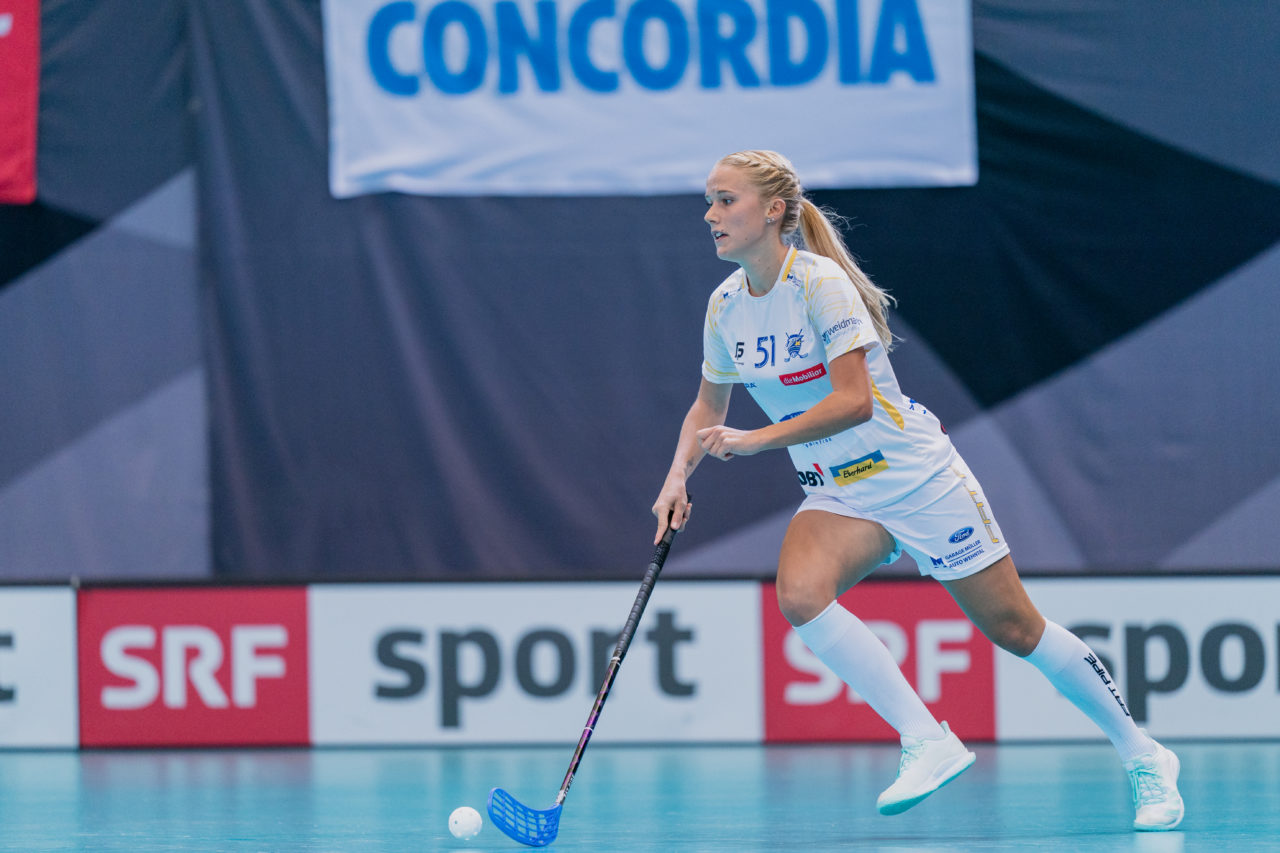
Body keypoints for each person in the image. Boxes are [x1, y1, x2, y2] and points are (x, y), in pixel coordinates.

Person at [651, 149, 1184, 831]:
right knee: (801, 594)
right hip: (838, 492)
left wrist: (756, 440)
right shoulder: (725, 306)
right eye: (710, 200)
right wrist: (675, 479)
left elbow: (853, 403)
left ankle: (1143, 753)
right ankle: (925, 737)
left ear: (773, 209)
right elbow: (706, 406)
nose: (711, 214)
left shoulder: (821, 287)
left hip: (914, 477)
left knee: (1016, 628)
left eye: (726, 200)